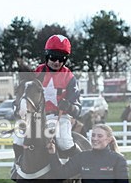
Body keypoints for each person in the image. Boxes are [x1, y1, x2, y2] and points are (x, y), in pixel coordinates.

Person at [12, 34, 81, 171]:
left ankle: (80, 168)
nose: (57, 62)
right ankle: (18, 166)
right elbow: (23, 94)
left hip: (59, 117)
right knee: (18, 137)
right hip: (35, 116)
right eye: (53, 57)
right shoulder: (36, 72)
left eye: (62, 59)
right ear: (47, 55)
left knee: (64, 141)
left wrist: (68, 106)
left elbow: (78, 108)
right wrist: (18, 106)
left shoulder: (70, 77)